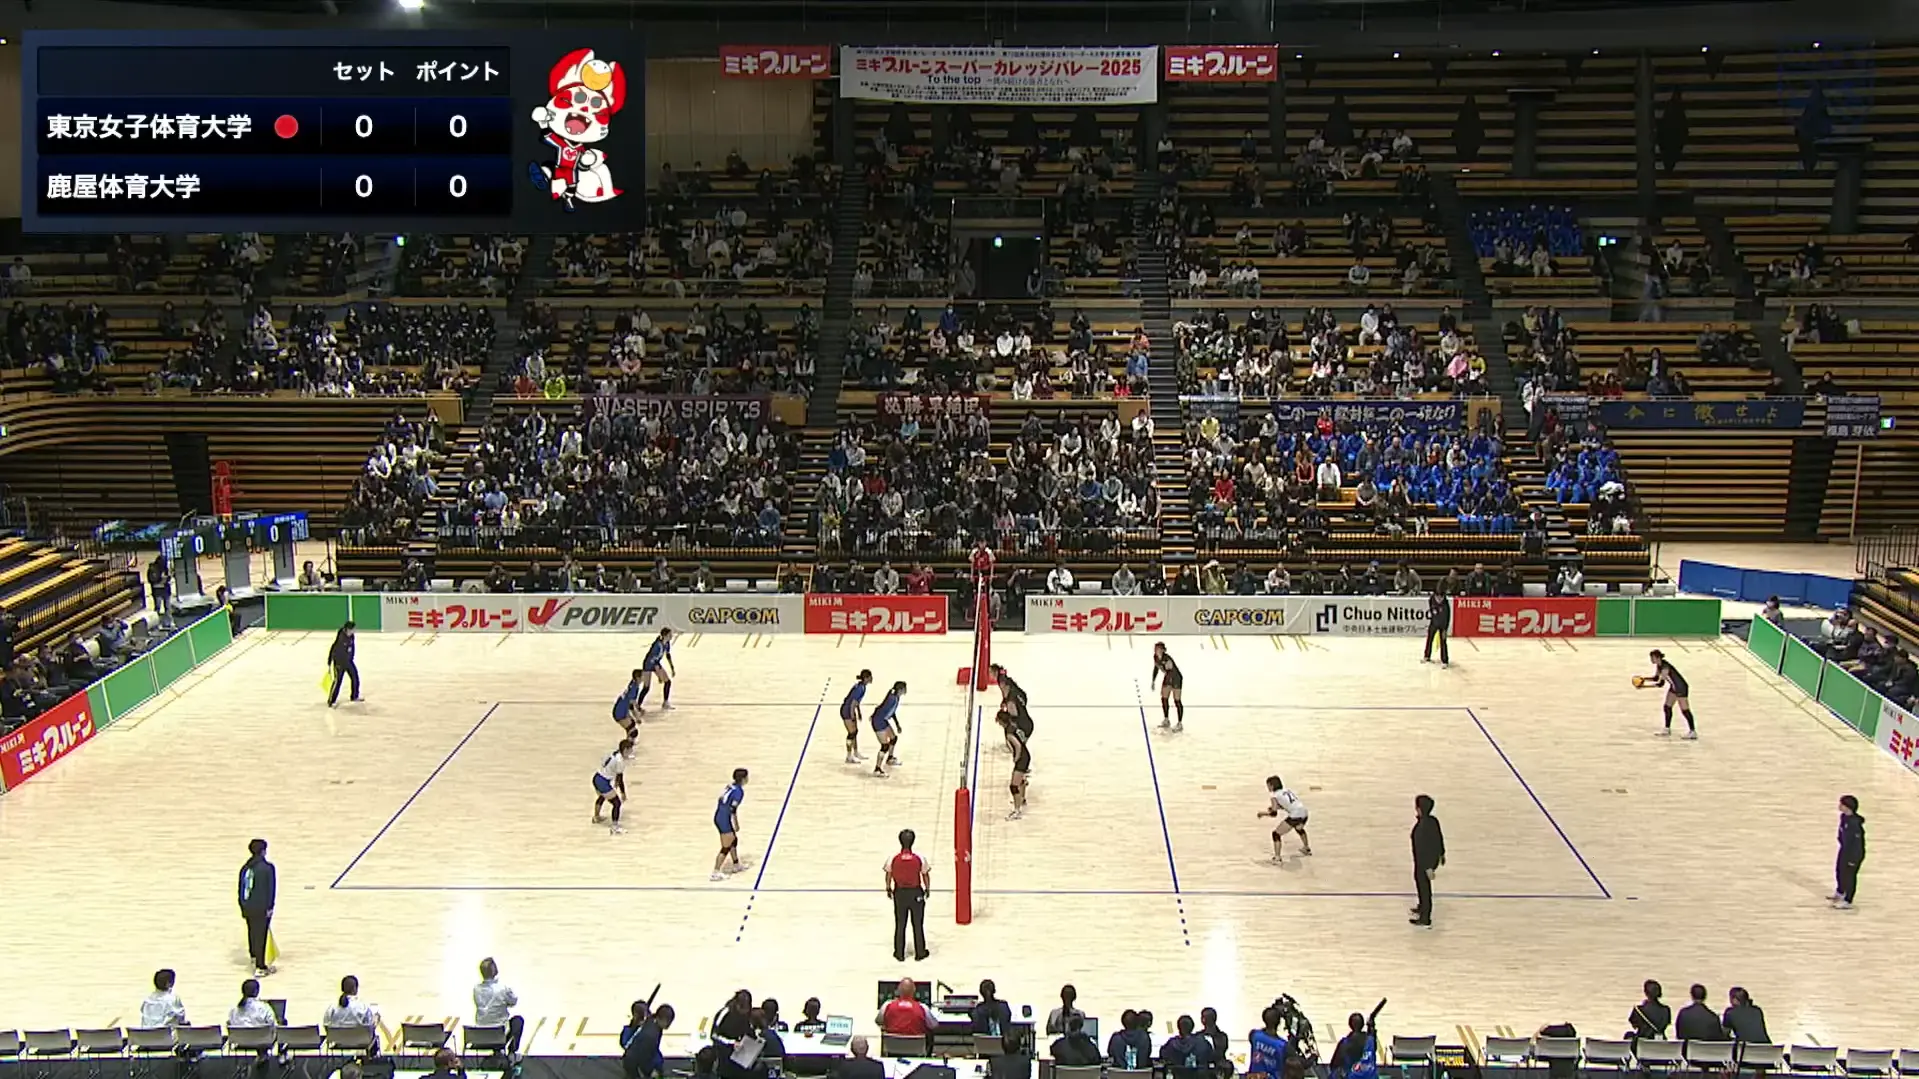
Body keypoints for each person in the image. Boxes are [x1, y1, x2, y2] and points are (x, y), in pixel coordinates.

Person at [885, 829, 930, 961]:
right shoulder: (919, 858)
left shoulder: (893, 858)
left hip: (900, 893)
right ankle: (920, 952)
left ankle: (899, 953)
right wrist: (927, 888)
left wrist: (888, 888)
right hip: (915, 892)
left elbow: (888, 874)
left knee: (900, 924)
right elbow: (925, 875)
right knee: (918, 924)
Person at [237, 838, 277, 977]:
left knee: (252, 931)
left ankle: (254, 957)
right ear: (263, 851)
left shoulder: (245, 867)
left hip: (248, 906)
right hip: (261, 907)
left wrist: (242, 905)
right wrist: (270, 907)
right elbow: (270, 890)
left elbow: (241, 887)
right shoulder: (268, 868)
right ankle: (260, 966)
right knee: (261, 935)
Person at [473, 958, 524, 1063]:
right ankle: (512, 1053)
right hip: (499, 1034)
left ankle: (497, 1052)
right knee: (518, 1021)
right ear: (495, 970)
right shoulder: (503, 988)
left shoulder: (476, 989)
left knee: (491, 1022)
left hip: (480, 1035)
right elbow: (513, 1001)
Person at [1642, 648, 1696, 738]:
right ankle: (1667, 729)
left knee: (1685, 710)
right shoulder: (1659, 665)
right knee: (1667, 707)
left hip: (1680, 688)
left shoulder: (1665, 667)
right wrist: (1643, 679)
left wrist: (1644, 686)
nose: (1651, 659)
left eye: (1652, 658)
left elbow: (1660, 683)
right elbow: (1656, 678)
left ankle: (1692, 731)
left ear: (1657, 657)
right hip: (1674, 687)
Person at [322, 975, 382, 1055]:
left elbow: (326, 1026)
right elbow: (369, 1026)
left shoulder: (332, 1008)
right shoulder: (363, 1007)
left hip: (338, 1042)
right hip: (361, 1041)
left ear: (342, 989)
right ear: (355, 989)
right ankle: (369, 1058)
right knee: (375, 1020)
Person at [1410, 793, 1445, 926]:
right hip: (1424, 861)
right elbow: (1439, 838)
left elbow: (1423, 849)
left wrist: (1428, 867)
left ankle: (1425, 917)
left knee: (1424, 887)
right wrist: (1442, 853)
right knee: (1421, 884)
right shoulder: (1431, 821)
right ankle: (1422, 907)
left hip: (1424, 862)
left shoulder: (1423, 826)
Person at [1260, 776, 1312, 860]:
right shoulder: (1287, 791)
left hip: (1295, 815)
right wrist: (1276, 807)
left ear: (1272, 786)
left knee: (1276, 834)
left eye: (1268, 785)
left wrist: (1263, 814)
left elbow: (1273, 814)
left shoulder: (1274, 796)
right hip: (1304, 812)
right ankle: (1306, 848)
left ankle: (1277, 858)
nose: (1268, 788)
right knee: (1298, 828)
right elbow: (1288, 804)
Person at [593, 738, 636, 835]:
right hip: (603, 782)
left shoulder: (614, 753)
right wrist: (623, 793)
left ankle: (596, 817)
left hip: (597, 777)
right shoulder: (620, 761)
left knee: (603, 796)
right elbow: (620, 778)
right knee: (617, 803)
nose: (631, 753)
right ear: (625, 750)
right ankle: (614, 827)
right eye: (630, 750)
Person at [712, 767, 748, 881]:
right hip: (724, 819)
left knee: (733, 840)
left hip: (720, 815)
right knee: (726, 847)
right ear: (743, 779)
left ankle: (736, 864)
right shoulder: (739, 792)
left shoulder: (730, 786)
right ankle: (715, 872)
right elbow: (733, 809)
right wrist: (736, 823)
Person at [622, 1003, 673, 1079]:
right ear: (662, 1019)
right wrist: (650, 1071)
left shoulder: (653, 1021)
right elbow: (644, 1058)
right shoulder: (651, 1035)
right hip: (634, 1062)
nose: (669, 1024)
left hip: (637, 1055)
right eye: (668, 1021)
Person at [1834, 793, 1865, 908]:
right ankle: (1840, 892)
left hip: (1853, 853)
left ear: (1848, 807)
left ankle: (1848, 900)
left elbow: (1858, 844)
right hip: (1844, 849)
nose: (1839, 806)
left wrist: (1854, 859)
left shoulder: (1855, 824)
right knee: (1840, 871)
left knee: (1849, 876)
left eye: (1841, 804)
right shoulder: (1843, 817)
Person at [1000, 708, 1032, 820]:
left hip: (1022, 758)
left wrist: (1016, 757)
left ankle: (1017, 811)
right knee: (1020, 780)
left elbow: (1017, 745)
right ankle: (1022, 799)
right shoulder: (1014, 726)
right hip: (1026, 755)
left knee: (1013, 786)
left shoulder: (1009, 733)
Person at [870, 680, 906, 778]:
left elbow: (891, 712)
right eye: (904, 688)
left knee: (893, 738)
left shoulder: (895, 696)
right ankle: (877, 769)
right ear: (900, 689)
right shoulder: (892, 699)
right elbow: (882, 708)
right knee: (884, 746)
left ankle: (890, 758)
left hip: (883, 720)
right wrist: (874, 716)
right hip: (878, 721)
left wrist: (897, 724)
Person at [1328, 1011, 1377, 1079]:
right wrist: (1371, 1026)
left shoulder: (1345, 1043)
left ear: (1350, 1025)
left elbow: (1334, 1065)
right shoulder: (1371, 1040)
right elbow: (1371, 1034)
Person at [637, 628, 676, 712]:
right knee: (646, 687)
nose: (671, 636)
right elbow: (652, 658)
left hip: (656, 663)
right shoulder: (657, 645)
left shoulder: (667, 643)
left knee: (667, 681)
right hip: (648, 664)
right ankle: (638, 705)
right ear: (665, 635)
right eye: (670, 634)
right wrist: (658, 672)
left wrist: (672, 667)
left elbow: (668, 655)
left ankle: (665, 702)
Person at [138, 968, 189, 1033]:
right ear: (169, 984)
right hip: (164, 1037)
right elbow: (180, 1019)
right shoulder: (173, 999)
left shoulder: (147, 1001)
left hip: (145, 1037)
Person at [841, 669, 874, 764]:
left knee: (855, 732)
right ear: (866, 678)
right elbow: (852, 703)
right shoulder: (860, 688)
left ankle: (855, 752)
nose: (872, 678)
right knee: (851, 733)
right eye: (870, 677)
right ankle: (849, 756)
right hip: (847, 710)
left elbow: (856, 702)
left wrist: (858, 712)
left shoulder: (862, 686)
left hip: (850, 709)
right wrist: (852, 716)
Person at [1246, 1006, 1290, 1079]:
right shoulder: (1282, 1045)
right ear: (1279, 1022)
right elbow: (1302, 1064)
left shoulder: (1254, 1035)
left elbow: (1263, 1032)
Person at [1151, 641, 1185, 731]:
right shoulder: (1155, 657)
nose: (1156, 650)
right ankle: (1166, 719)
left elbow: (1171, 672)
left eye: (1158, 649)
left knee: (1177, 700)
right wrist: (1153, 681)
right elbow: (1156, 668)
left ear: (1162, 650)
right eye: (1155, 648)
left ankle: (1180, 723)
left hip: (1176, 678)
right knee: (1164, 698)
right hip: (1168, 677)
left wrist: (1169, 685)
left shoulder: (1167, 659)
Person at [327, 621, 361, 707]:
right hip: (339, 663)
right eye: (353, 629)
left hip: (348, 661)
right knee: (337, 682)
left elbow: (352, 648)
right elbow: (334, 648)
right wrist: (330, 660)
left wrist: (351, 657)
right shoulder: (341, 638)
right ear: (348, 629)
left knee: (355, 677)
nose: (354, 631)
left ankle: (354, 696)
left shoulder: (352, 636)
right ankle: (331, 701)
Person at [1422, 589, 1450, 668]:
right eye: (1437, 597)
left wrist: (1445, 629)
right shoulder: (1431, 600)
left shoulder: (1445, 605)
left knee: (1443, 642)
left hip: (1443, 625)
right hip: (1434, 623)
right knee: (1429, 639)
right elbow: (1432, 610)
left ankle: (1445, 660)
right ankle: (1427, 656)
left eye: (1441, 597)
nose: (1439, 599)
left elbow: (1447, 617)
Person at [612, 669, 644, 737]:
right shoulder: (634, 688)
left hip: (621, 709)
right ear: (638, 678)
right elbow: (631, 704)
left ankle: (629, 740)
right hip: (620, 712)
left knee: (632, 725)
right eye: (642, 676)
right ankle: (628, 741)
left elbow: (629, 702)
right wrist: (637, 714)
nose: (644, 678)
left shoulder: (633, 683)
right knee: (633, 731)